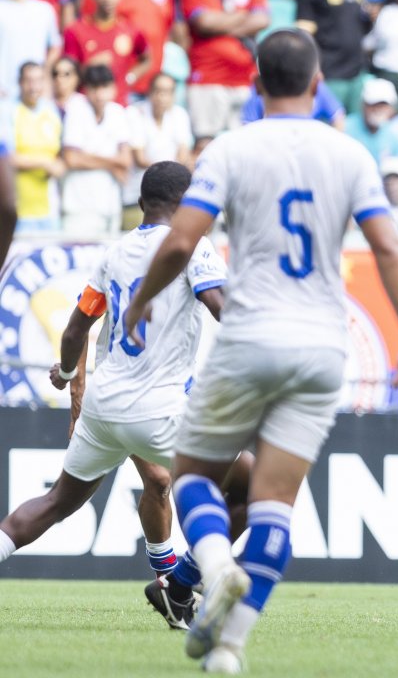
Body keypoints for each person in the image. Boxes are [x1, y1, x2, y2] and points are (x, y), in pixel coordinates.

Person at [123, 29, 398, 674]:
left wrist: (140, 299)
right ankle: (228, 646)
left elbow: (179, 243)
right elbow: (391, 249)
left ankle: (213, 566)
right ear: (319, 85)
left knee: (195, 475)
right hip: (321, 344)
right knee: (274, 505)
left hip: (251, 332)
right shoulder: (350, 155)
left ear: (256, 86)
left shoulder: (231, 148)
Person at [0, 162, 229, 629]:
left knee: (54, 503)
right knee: (252, 482)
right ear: (188, 206)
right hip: (159, 406)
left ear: (141, 203)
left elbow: (76, 328)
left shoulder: (113, 254)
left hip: (103, 406)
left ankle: (171, 580)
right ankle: (181, 584)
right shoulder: (195, 248)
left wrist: (66, 374)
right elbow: (221, 307)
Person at [181, 0, 270, 154]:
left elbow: (261, 20)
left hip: (243, 78)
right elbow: (204, 23)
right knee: (204, 145)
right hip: (207, 77)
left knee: (245, 145)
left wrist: (221, 23)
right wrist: (242, 17)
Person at [295, 0, 372, 112]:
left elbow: (361, 24)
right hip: (329, 74)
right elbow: (304, 35)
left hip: (356, 73)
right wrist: (314, 70)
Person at [60, 63, 130, 235]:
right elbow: (71, 159)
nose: (99, 94)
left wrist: (87, 157)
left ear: (113, 88)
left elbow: (126, 160)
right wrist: (113, 164)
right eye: (94, 88)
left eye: (104, 87)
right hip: (79, 207)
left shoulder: (117, 112)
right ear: (86, 89)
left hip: (111, 205)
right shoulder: (76, 109)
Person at [63, 0, 151, 106]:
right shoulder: (75, 30)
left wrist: (128, 78)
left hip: (119, 105)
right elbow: (67, 73)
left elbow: (147, 59)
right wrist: (89, 67)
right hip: (85, 105)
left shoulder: (131, 29)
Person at [1, 61, 63, 233]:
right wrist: (45, 163)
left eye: (38, 80)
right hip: (18, 210)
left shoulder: (50, 110)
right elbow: (8, 157)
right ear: (20, 83)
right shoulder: (8, 111)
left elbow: (58, 153)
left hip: (49, 211)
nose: (33, 86)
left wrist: (56, 164)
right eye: (29, 81)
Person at [0, 0, 61, 101]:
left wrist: (44, 75)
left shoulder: (44, 10)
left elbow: (55, 46)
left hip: (37, 94)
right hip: (4, 92)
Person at [344, 77, 398, 163]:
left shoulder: (395, 134)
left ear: (391, 108)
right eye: (373, 104)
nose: (378, 110)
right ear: (363, 105)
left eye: (382, 105)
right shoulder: (345, 128)